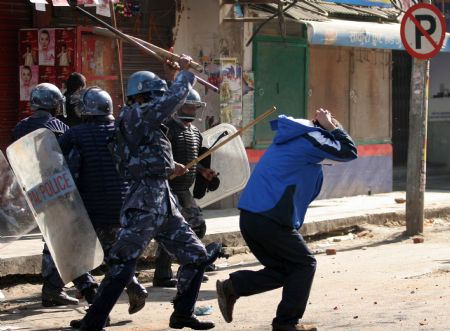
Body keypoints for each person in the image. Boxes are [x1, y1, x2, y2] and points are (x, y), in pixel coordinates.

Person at [74, 55, 221, 331]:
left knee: (196, 256)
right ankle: (92, 322)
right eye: (154, 97)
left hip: (163, 202)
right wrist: (184, 75)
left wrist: (171, 166)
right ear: (142, 97)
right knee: (122, 264)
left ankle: (182, 314)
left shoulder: (142, 121)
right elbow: (166, 104)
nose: (159, 102)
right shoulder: (134, 115)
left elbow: (146, 157)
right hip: (143, 203)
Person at [216, 109, 358, 331]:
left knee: (289, 270)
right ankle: (286, 323)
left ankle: (234, 286)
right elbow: (348, 151)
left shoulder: (294, 142)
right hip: (268, 218)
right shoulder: (311, 136)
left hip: (255, 218)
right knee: (305, 264)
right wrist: (331, 127)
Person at [58, 87, 148, 325]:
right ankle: (134, 286)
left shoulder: (75, 135)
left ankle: (95, 304)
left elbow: (60, 167)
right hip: (123, 206)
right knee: (115, 256)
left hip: (91, 209)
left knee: (74, 256)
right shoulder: (122, 131)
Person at [11, 83, 79, 307]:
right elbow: (68, 161)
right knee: (58, 241)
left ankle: (56, 287)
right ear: (53, 103)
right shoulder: (59, 127)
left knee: (50, 238)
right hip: (57, 190)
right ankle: (53, 289)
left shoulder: (20, 127)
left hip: (32, 191)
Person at [153, 89, 218, 288]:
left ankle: (189, 266)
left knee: (197, 226)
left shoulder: (195, 133)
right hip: (168, 189)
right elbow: (160, 155)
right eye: (188, 105)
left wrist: (202, 171)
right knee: (170, 232)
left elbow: (191, 161)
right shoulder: (167, 129)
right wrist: (172, 166)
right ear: (179, 106)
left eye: (194, 106)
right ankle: (163, 275)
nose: (191, 110)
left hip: (184, 191)